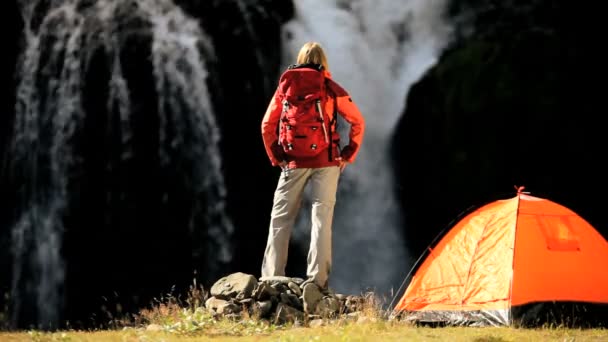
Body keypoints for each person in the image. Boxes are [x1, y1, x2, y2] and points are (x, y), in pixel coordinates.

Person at [260, 41, 365, 291]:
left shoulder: (285, 87)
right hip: (326, 162)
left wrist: (278, 157)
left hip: (293, 162)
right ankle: (317, 281)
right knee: (321, 220)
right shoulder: (330, 87)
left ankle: (272, 278)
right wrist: (348, 154)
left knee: (280, 219)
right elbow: (357, 121)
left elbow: (266, 125)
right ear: (323, 61)